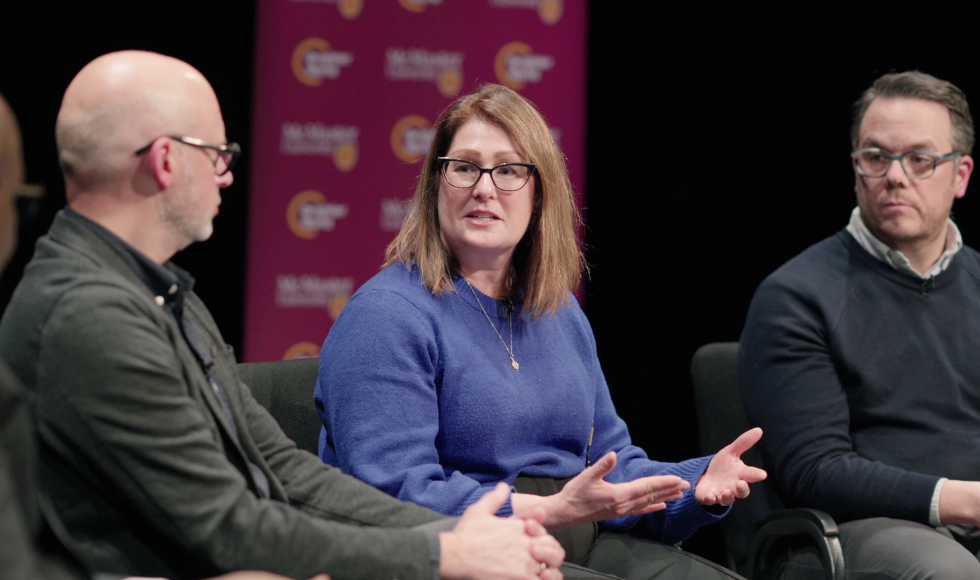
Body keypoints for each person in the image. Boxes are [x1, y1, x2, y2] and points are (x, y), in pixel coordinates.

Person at [0, 51, 566, 580]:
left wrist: (455, 532)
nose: (226, 175)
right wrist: (444, 552)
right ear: (166, 160)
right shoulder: (89, 316)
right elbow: (226, 526)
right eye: (218, 154)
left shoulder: (159, 290)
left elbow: (279, 467)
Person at [315, 83, 766, 580]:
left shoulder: (559, 312)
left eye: (508, 171)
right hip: (466, 553)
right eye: (464, 167)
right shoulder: (387, 315)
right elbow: (396, 492)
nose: (483, 188)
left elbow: (609, 466)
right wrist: (539, 510)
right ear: (435, 184)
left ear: (539, 193)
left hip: (582, 542)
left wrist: (694, 482)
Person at [739, 70, 980, 579]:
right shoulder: (797, 295)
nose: (895, 176)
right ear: (856, 171)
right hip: (859, 529)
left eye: (919, 159)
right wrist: (960, 500)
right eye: (877, 158)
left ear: (959, 175)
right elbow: (814, 472)